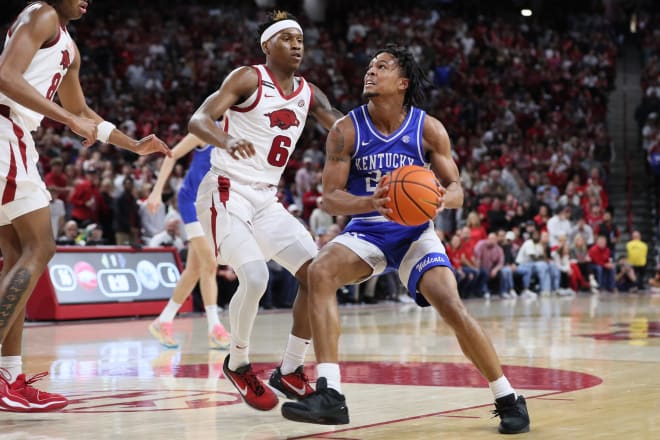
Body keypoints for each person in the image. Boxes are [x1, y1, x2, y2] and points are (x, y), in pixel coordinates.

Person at [281, 45, 530, 434]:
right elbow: (330, 197)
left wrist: (437, 199)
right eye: (369, 65)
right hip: (368, 230)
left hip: (415, 233)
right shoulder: (345, 130)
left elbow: (457, 189)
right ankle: (330, 392)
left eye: (381, 66)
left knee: (450, 304)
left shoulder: (427, 128)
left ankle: (507, 397)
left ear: (402, 82)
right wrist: (370, 201)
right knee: (320, 272)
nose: (370, 71)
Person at [0, 0, 170, 412]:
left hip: (17, 137)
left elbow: (80, 111)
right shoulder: (40, 14)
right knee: (40, 248)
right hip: (5, 130)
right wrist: (66, 118)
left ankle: (9, 377)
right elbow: (4, 76)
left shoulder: (70, 48)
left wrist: (132, 145)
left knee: (18, 254)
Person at [188, 10, 341, 411]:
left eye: (300, 40)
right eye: (287, 38)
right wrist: (223, 139)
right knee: (254, 276)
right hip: (225, 189)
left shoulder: (310, 92)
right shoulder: (248, 78)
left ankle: (290, 369)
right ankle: (238, 362)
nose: (296, 45)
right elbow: (198, 119)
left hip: (267, 199)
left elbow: (342, 128)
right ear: (267, 45)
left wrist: (388, 140)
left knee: (318, 275)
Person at [146, 133, 230, 350]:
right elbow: (171, 155)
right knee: (210, 264)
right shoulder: (206, 130)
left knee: (193, 270)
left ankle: (163, 321)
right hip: (191, 202)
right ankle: (215, 327)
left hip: (212, 207)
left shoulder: (239, 138)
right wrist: (156, 192)